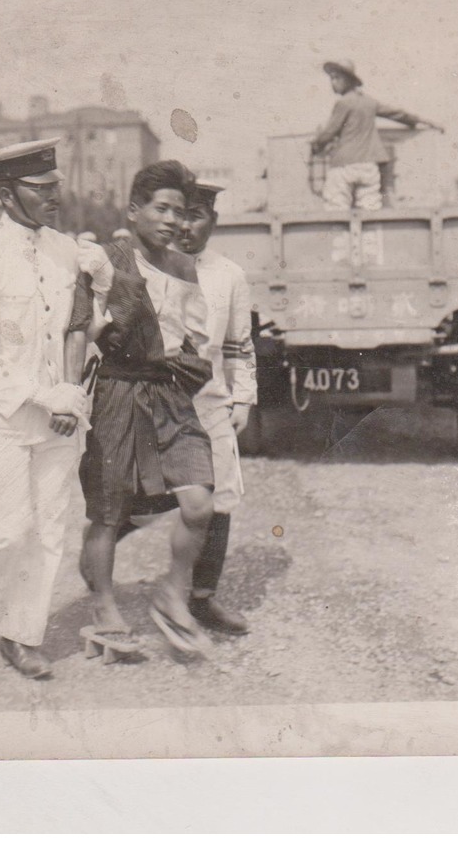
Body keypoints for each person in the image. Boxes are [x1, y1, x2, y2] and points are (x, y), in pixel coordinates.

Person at [0, 137, 102, 680]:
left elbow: (79, 326)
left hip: (61, 414)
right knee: (5, 529)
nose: (55, 196)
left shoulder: (67, 251)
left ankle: (20, 633)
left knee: (50, 529)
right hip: (1, 418)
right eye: (42, 189)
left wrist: (72, 395)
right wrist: (45, 396)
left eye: (57, 186)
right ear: (8, 194)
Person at [73, 160, 219, 659]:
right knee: (109, 509)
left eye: (180, 212)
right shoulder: (103, 259)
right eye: (161, 208)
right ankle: (103, 605)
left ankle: (173, 594)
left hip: (169, 393)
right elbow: (80, 329)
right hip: (118, 390)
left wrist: (195, 360)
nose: (172, 220)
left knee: (199, 501)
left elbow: (194, 333)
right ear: (134, 210)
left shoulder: (184, 267)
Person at [171, 179, 257, 634]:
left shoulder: (229, 275)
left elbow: (240, 343)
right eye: (178, 214)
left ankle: (202, 597)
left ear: (213, 221)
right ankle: (102, 580)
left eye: (196, 215)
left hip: (209, 403)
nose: (184, 226)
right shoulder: (150, 267)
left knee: (221, 497)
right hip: (156, 403)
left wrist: (242, 397)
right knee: (136, 500)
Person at [311, 58, 442, 211]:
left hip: (344, 166)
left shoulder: (343, 103)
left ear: (348, 80)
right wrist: (422, 121)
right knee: (370, 212)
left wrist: (316, 145)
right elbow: (396, 113)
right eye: (332, 78)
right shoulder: (369, 102)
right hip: (368, 166)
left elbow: (329, 132)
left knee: (337, 210)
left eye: (336, 78)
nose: (333, 83)